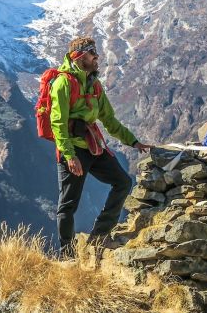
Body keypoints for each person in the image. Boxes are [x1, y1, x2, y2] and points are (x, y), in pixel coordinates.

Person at [50, 37, 151, 256]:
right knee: (68, 204)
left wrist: (133, 141)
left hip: (93, 146)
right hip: (74, 150)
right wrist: (69, 156)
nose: (97, 58)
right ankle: (67, 254)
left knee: (123, 182)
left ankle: (99, 235)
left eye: (95, 53)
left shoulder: (94, 85)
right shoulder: (63, 83)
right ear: (79, 57)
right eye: (91, 54)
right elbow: (58, 123)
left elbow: (109, 120)